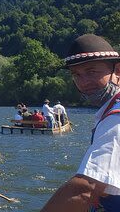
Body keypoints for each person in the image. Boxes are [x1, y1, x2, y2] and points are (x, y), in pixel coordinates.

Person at [41, 34, 120, 211]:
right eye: (76, 75)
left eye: (91, 72)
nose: (83, 82)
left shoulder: (116, 118)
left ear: (117, 71)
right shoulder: (109, 111)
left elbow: (85, 188)